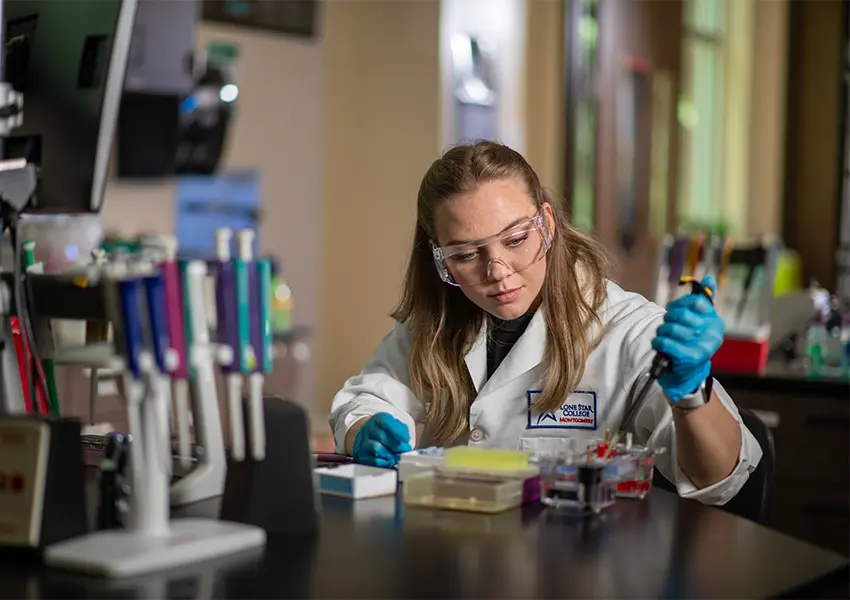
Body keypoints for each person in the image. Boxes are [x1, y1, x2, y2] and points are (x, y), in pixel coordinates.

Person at [329, 141, 761, 506]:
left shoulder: (630, 331)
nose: (496, 270)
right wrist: (365, 429)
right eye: (464, 254)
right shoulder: (438, 322)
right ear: (438, 259)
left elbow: (719, 479)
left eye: (516, 240)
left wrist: (691, 394)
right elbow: (367, 398)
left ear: (548, 224)